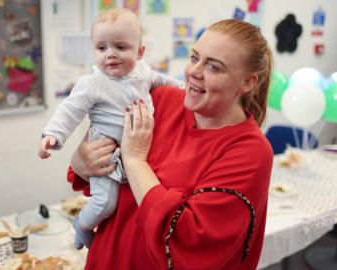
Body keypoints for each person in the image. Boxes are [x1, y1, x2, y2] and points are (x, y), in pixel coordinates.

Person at [68, 19, 274, 270]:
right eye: (194, 58)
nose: (194, 72)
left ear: (247, 82)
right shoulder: (160, 100)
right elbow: (94, 163)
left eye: (213, 67)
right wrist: (80, 162)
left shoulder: (250, 151)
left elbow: (186, 241)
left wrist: (135, 162)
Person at [38, 8, 183, 250]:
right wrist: (53, 134)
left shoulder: (144, 72)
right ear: (93, 50)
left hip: (136, 149)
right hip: (104, 146)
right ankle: (83, 225)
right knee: (105, 203)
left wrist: (184, 90)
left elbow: (164, 81)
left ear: (140, 51)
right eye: (102, 48)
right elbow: (69, 110)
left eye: (120, 47)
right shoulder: (92, 83)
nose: (111, 55)